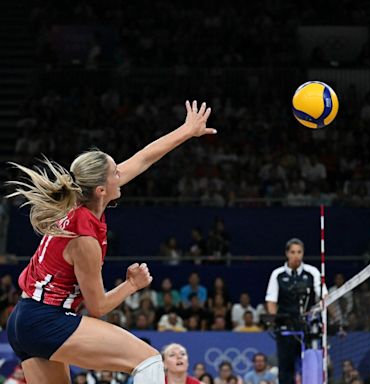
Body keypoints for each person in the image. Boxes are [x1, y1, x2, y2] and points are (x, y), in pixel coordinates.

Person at [6, 100, 215, 384]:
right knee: (149, 359)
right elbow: (98, 307)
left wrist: (187, 130)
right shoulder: (85, 240)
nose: (122, 174)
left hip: (24, 320)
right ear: (102, 190)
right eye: (116, 172)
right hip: (47, 320)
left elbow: (143, 158)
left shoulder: (78, 202)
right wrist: (132, 285)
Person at [265, 238, 323, 384]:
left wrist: (316, 315)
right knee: (286, 368)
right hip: (286, 327)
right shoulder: (277, 274)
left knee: (310, 365)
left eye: (299, 252)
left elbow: (323, 297)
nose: (296, 255)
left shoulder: (312, 272)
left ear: (303, 253)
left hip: (308, 327)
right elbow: (271, 301)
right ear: (287, 254)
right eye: (293, 252)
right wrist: (274, 321)